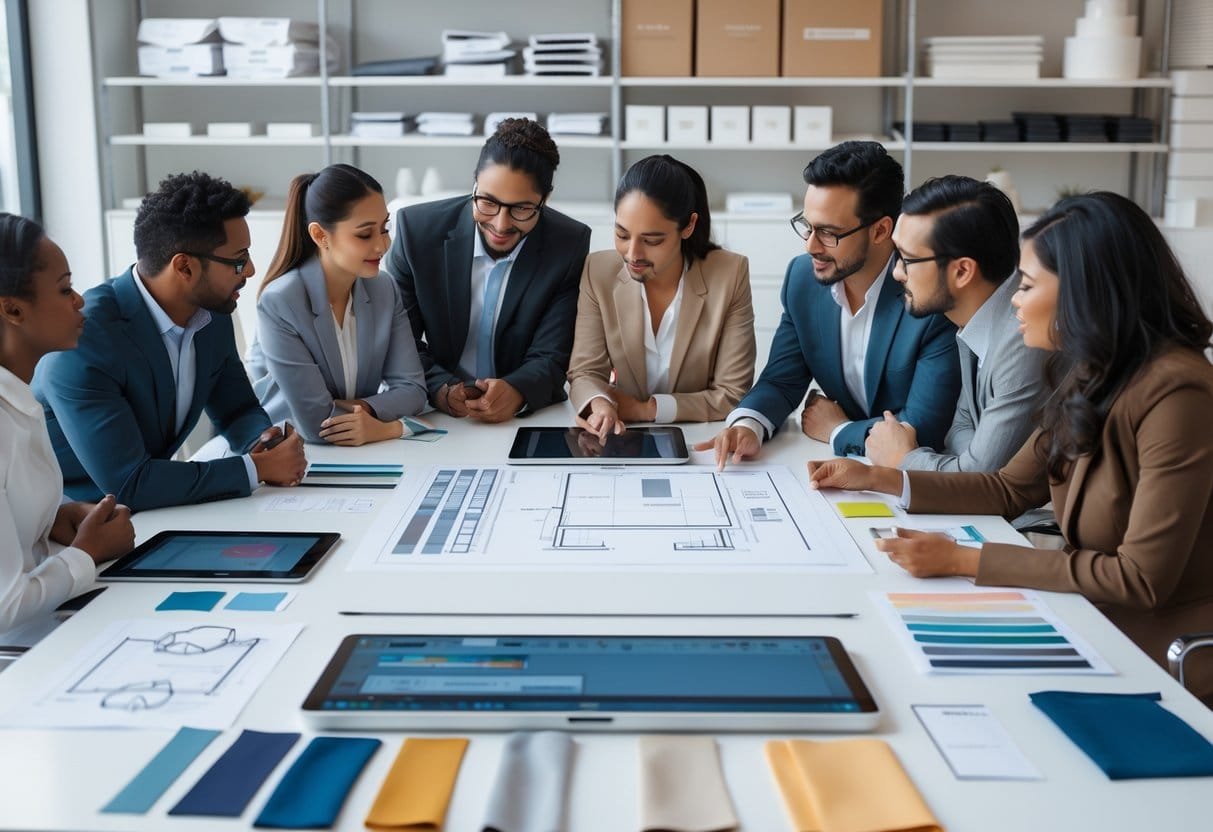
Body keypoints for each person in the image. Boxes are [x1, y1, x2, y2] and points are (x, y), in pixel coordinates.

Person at [809, 192, 1213, 701]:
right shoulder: (1094, 370)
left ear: (1084, 294)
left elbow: (1139, 579)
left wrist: (964, 560)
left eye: (1026, 285)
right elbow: (1006, 488)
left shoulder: (1178, 392)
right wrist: (879, 476)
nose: (1014, 300)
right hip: (1092, 620)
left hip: (1163, 653)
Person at [34, 171, 307, 512]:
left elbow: (237, 410)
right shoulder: (85, 340)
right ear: (184, 267)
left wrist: (266, 443)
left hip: (154, 512)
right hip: (70, 527)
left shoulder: (212, 313)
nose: (250, 270)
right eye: (238, 260)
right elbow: (129, 483)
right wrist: (256, 468)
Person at [695, 140, 960, 468]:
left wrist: (838, 430)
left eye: (828, 233)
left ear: (880, 231)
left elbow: (923, 429)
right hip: (844, 472)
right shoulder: (802, 279)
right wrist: (747, 425)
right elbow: (782, 380)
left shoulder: (928, 295)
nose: (810, 246)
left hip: (918, 477)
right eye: (807, 226)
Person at [385, 118, 591, 422]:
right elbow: (400, 341)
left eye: (521, 208)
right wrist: (441, 388)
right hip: (433, 410)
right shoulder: (416, 232)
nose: (501, 224)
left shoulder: (569, 244)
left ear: (544, 200)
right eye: (488, 202)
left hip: (525, 415)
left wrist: (517, 390)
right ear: (474, 183)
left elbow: (552, 353)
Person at [0, 214, 135, 634]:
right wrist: (86, 553)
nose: (78, 300)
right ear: (12, 309)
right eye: (63, 289)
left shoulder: (18, 396)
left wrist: (52, 518)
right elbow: (6, 606)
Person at [864, 175, 1048, 474]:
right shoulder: (976, 318)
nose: (897, 272)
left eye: (907, 259)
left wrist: (902, 459)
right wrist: (971, 458)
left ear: (962, 271)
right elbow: (959, 429)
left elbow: (981, 477)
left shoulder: (1024, 335)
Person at [568, 155, 755, 435]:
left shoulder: (730, 274)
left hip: (700, 438)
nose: (633, 254)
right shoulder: (598, 271)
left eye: (652, 240)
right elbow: (585, 372)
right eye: (621, 234)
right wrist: (600, 403)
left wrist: (647, 410)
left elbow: (732, 393)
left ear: (688, 226)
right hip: (622, 437)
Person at [248, 164, 427, 445]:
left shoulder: (383, 288)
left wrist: (366, 414)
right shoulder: (281, 302)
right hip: (287, 452)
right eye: (365, 234)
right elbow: (317, 424)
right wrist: (388, 424)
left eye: (384, 229)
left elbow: (414, 391)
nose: (382, 245)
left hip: (355, 450)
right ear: (320, 236)